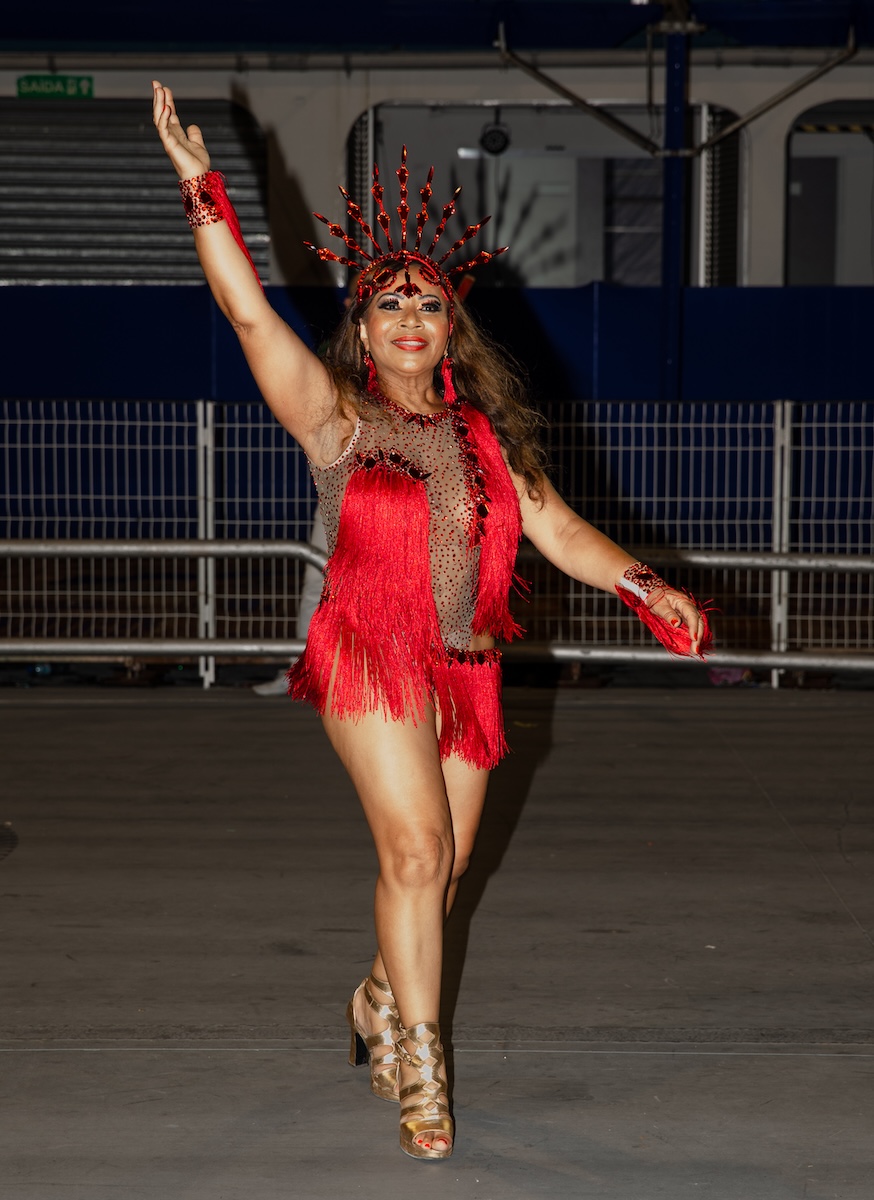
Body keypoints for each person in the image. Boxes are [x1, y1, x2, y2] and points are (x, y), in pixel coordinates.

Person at [152, 81, 710, 1162]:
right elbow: (251, 314)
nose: (409, 318)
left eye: (426, 303)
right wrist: (201, 190)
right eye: (387, 304)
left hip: (467, 669)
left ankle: (372, 993)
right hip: (368, 660)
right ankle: (421, 1064)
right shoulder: (334, 418)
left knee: (444, 871)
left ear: (449, 325)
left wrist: (645, 585)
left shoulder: (487, 437)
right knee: (413, 855)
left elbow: (558, 531)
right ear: (361, 326)